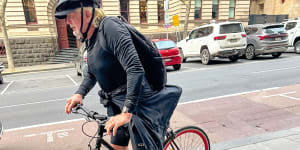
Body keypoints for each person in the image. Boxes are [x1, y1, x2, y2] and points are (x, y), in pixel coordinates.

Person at [55, 0, 182, 150]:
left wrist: (127, 112)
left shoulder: (109, 27)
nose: (67, 21)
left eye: (70, 15)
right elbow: (91, 73)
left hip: (138, 103)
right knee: (117, 146)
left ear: (87, 13)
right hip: (115, 103)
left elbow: (135, 68)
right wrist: (79, 94)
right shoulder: (90, 40)